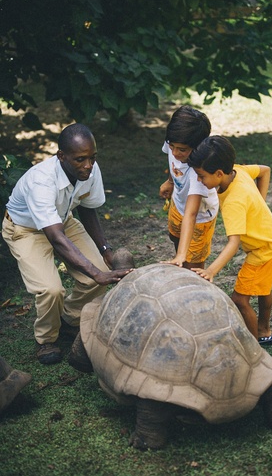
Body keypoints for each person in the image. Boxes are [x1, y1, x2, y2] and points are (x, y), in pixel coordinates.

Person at [2, 123, 131, 365]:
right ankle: (46, 339)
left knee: (102, 273)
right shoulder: (42, 181)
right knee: (51, 290)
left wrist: (105, 251)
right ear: (61, 156)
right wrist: (93, 272)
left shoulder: (89, 169)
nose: (88, 166)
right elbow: (56, 239)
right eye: (80, 159)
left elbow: (88, 208)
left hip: (62, 220)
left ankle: (69, 319)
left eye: (92, 158)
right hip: (25, 229)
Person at [187, 135, 272, 344]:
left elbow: (233, 243)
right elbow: (265, 170)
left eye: (201, 176)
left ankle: (253, 345)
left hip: (262, 250)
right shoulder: (238, 171)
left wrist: (211, 270)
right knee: (263, 288)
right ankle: (264, 330)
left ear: (219, 173)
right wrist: (260, 202)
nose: (199, 180)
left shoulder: (234, 202)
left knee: (240, 299)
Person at [159, 106, 219, 269]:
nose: (176, 153)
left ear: (198, 147)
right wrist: (170, 181)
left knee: (194, 267)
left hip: (199, 217)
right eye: (172, 147)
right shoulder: (175, 143)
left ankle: (190, 273)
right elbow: (173, 162)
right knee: (175, 237)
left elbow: (191, 214)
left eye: (182, 150)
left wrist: (180, 255)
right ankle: (182, 257)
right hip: (178, 204)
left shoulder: (199, 173)